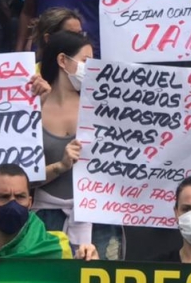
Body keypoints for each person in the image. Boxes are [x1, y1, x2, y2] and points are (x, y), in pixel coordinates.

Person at [32, 30, 123, 260]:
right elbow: (22, 178)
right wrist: (60, 166)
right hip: (45, 218)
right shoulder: (32, 108)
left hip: (99, 219)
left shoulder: (106, 105)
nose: (91, 68)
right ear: (63, 60)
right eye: (85, 61)